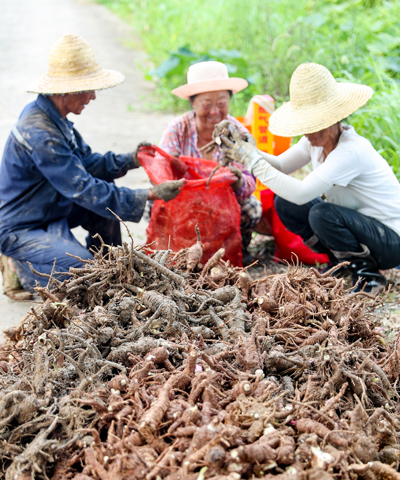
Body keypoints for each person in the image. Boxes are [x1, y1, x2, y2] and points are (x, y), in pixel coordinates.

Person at [0, 34, 182, 299]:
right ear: (68, 90)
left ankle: (110, 270)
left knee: (107, 208)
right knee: (80, 274)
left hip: (50, 209)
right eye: (89, 89)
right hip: (22, 226)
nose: (93, 97)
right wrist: (148, 194)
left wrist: (132, 158)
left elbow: (90, 165)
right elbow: (84, 189)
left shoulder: (57, 120)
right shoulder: (41, 133)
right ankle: (18, 266)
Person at [219, 62, 400, 292]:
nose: (310, 132)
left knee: (321, 213)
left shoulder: (350, 151)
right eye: (306, 124)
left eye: (317, 124)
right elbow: (283, 165)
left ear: (335, 118)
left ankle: (368, 275)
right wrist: (248, 150)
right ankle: (339, 262)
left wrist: (251, 161)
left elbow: (302, 192)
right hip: (363, 228)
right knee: (285, 204)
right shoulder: (314, 142)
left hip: (391, 240)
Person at [158, 60, 262, 263]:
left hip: (223, 206)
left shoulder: (239, 133)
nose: (215, 112)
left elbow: (251, 183)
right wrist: (175, 171)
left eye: (222, 104)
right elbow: (161, 171)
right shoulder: (178, 129)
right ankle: (178, 253)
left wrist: (238, 180)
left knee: (252, 208)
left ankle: (237, 248)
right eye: (207, 104)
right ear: (193, 103)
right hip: (185, 202)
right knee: (155, 203)